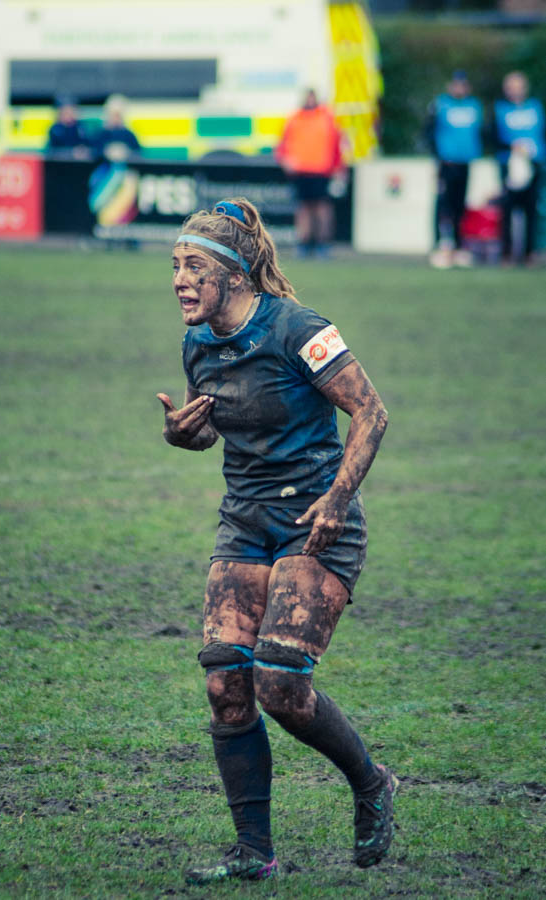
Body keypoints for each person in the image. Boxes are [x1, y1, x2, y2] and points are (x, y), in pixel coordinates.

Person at [157, 197, 397, 885]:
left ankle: (372, 783)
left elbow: (371, 412)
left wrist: (338, 499)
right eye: (174, 266)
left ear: (235, 274)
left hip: (315, 520)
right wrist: (184, 435)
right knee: (224, 681)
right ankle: (251, 850)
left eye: (194, 267)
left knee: (281, 683)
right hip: (245, 521)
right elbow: (214, 427)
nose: (179, 281)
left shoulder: (299, 329)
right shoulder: (198, 342)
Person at [275, 89, 346, 258]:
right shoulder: (295, 119)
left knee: (322, 207)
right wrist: (285, 161)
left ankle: (323, 243)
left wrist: (338, 168)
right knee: (303, 208)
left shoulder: (327, 118)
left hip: (322, 170)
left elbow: (337, 146)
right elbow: (282, 145)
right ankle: (304, 243)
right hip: (301, 171)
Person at [425, 71, 483, 269]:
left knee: (460, 205)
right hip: (446, 164)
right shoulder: (440, 104)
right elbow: (428, 132)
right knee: (443, 205)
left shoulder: (474, 106)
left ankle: (458, 246)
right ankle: (440, 245)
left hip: (464, 162)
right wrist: (438, 156)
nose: (459, 88)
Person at [493, 71, 545, 266]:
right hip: (509, 164)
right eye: (511, 87)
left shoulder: (535, 108)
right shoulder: (499, 109)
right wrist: (511, 147)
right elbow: (493, 137)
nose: (515, 91)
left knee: (532, 209)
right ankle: (506, 253)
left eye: (518, 86)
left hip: (533, 163)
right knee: (507, 209)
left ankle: (530, 252)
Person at [92, 94, 141, 161]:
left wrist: (127, 153)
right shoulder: (100, 134)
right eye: (113, 115)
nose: (116, 118)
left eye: (118, 115)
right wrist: (106, 152)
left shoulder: (128, 135)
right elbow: (93, 153)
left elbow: (137, 153)